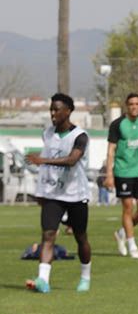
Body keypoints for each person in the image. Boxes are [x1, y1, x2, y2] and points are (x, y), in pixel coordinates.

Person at [24, 93, 92, 293]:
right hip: (53, 194)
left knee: (80, 237)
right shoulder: (47, 133)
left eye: (57, 109)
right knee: (48, 234)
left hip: (76, 195)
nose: (53, 113)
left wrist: (42, 160)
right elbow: (46, 166)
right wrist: (41, 191)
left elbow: (72, 160)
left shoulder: (80, 136)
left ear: (68, 111)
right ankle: (43, 280)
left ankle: (85, 276)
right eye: (51, 109)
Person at [105, 93, 138, 259]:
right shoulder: (117, 124)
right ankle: (132, 245)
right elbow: (111, 150)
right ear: (126, 106)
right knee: (128, 208)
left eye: (137, 104)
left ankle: (122, 232)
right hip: (122, 172)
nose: (134, 107)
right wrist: (109, 174)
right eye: (131, 104)